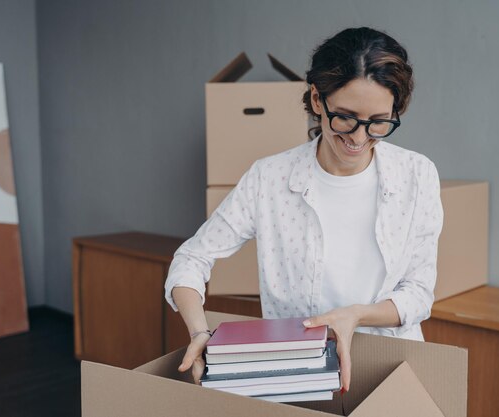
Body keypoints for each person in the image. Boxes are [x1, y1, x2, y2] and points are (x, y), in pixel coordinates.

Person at [164, 27, 443, 393]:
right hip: (296, 368)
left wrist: (355, 315)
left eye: (378, 122)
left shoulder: (417, 174)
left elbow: (419, 292)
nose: (359, 138)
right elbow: (191, 258)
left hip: (389, 363)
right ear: (316, 99)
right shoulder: (270, 178)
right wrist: (200, 331)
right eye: (345, 117)